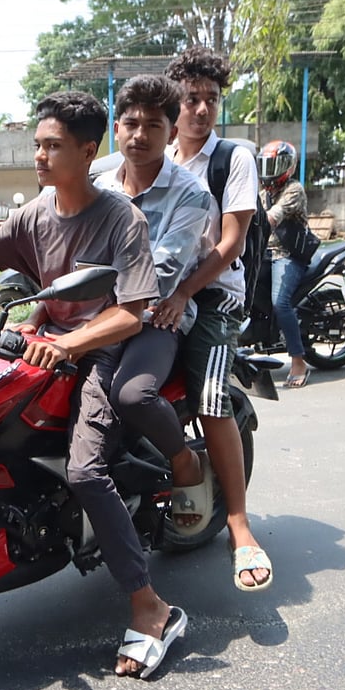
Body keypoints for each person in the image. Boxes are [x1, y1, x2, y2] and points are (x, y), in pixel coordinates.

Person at [0, 90, 187, 679]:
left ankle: (149, 606)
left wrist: (66, 343)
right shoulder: (34, 214)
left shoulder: (119, 218)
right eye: (37, 144)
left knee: (85, 470)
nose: (40, 155)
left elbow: (133, 310)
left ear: (87, 151)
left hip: (100, 355)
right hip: (44, 349)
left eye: (53, 146)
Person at [154, 45, 272, 592]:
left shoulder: (234, 159)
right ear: (173, 105)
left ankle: (238, 524)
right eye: (191, 100)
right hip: (155, 292)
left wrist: (182, 293)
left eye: (211, 100)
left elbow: (229, 246)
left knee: (209, 399)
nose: (201, 110)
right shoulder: (156, 155)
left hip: (214, 296)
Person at [93, 74, 215, 532]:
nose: (140, 135)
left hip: (154, 319)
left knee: (131, 394)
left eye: (153, 125)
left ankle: (184, 461)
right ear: (117, 128)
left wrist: (88, 289)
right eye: (131, 123)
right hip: (93, 315)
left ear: (171, 131)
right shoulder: (97, 188)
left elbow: (161, 275)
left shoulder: (190, 193)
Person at [258, 139, 313, 388]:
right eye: (268, 164)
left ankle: (298, 360)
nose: (270, 170)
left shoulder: (293, 190)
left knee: (280, 303)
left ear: (287, 167)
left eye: (276, 164)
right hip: (265, 254)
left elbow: (272, 217)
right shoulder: (262, 192)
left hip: (287, 256)